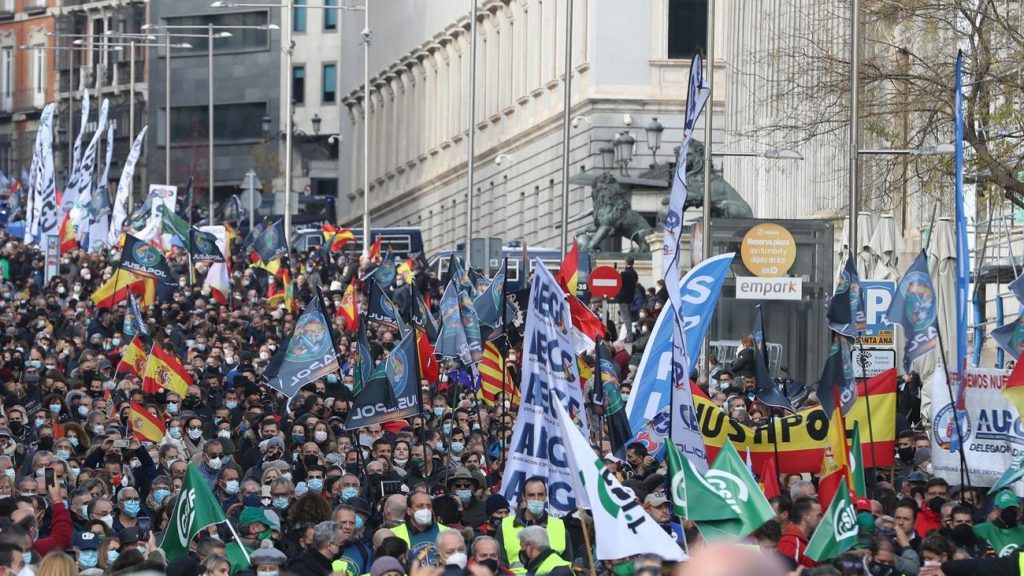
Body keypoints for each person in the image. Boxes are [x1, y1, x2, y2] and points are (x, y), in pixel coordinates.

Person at [496, 478, 572, 574]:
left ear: (546, 496)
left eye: (540, 495)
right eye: (531, 495)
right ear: (523, 497)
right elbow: (501, 566)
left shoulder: (560, 527)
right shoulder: (505, 526)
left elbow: (567, 564)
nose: (536, 499)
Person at [393, 490, 448, 567]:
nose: (425, 509)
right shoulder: (395, 534)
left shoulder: (447, 532)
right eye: (420, 506)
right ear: (409, 511)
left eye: (428, 506)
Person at [974, 490, 1024, 557]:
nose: (1010, 512)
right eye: (1005, 509)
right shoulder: (980, 529)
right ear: (996, 509)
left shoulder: (1022, 530)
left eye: (1013, 508)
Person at [778, 496, 821, 569]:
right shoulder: (791, 543)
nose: (821, 519)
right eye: (818, 515)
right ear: (806, 517)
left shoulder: (800, 541)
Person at [617, 257, 638, 342]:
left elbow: (618, 283)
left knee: (626, 318)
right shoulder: (634, 273)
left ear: (625, 262)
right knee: (627, 317)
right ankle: (629, 336)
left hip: (623, 298)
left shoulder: (624, 274)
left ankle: (629, 337)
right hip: (630, 297)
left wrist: (617, 274)